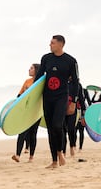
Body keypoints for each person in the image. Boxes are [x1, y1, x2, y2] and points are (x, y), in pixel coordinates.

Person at [33, 34, 79, 169]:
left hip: (61, 97)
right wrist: (31, 99)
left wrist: (73, 102)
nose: (50, 45)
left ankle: (60, 152)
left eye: (52, 43)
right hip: (48, 97)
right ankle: (54, 160)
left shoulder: (71, 61)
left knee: (58, 126)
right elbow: (39, 78)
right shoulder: (46, 58)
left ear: (61, 44)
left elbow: (76, 82)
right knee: (50, 129)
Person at [11, 63, 40, 163]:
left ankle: (31, 157)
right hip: (26, 111)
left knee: (33, 134)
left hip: (36, 112)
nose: (29, 70)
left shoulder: (40, 83)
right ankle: (18, 155)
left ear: (36, 70)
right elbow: (19, 95)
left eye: (31, 68)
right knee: (21, 132)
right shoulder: (27, 82)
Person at [63, 80, 86, 157]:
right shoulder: (62, 81)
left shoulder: (77, 85)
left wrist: (83, 115)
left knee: (71, 129)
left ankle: (72, 146)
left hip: (73, 110)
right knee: (62, 131)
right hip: (62, 109)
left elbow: (82, 100)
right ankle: (63, 150)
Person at [75, 86, 91, 152]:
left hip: (82, 111)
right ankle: (74, 146)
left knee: (81, 130)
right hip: (74, 110)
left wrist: (90, 112)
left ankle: (80, 147)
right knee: (74, 130)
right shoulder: (72, 87)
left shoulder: (84, 90)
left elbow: (89, 101)